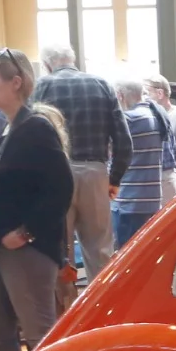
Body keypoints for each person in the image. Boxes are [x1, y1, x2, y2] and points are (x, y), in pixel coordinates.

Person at [0, 50, 75, 351]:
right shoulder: (10, 128)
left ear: (15, 82)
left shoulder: (34, 128)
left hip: (24, 248)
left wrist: (27, 231)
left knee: (39, 332)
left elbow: (60, 188)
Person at [32, 46, 130, 278]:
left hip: (54, 176)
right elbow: (124, 141)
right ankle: (102, 309)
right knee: (100, 250)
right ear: (73, 60)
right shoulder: (101, 85)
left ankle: (65, 309)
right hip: (95, 173)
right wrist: (114, 179)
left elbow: (31, 137)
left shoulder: (41, 87)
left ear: (47, 64)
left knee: (57, 251)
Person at [110, 80, 167, 247]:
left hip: (129, 201)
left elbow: (108, 151)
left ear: (120, 96)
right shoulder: (156, 116)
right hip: (151, 199)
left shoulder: (129, 119)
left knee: (126, 254)